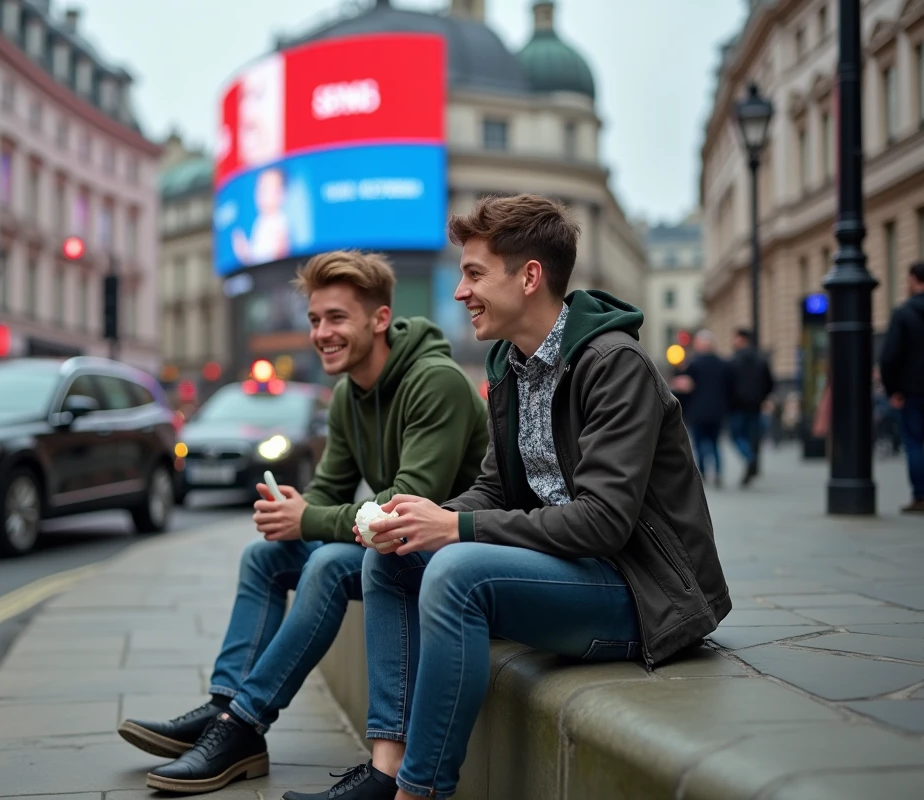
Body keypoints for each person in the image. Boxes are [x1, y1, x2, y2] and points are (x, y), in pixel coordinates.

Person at [283, 194, 730, 800]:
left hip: (643, 592)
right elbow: (495, 487)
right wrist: (428, 517)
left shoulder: (614, 364)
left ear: (528, 277)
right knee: (390, 552)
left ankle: (420, 792)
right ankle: (384, 770)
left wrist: (457, 532)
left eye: (473, 274)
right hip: (568, 571)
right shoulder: (512, 365)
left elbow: (604, 523)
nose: (461, 292)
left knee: (457, 572)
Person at [120, 249, 489, 795]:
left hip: (444, 550)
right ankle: (225, 708)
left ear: (379, 319)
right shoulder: (346, 396)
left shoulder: (435, 382)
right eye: (315, 320)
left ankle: (245, 725)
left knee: (333, 562)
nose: (321, 333)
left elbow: (406, 503)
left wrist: (310, 516)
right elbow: (332, 493)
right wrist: (299, 507)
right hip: (390, 546)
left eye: (336, 318)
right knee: (266, 556)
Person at [879, 260, 924, 514]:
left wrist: (892, 389)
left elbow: (889, 357)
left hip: (912, 390)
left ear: (913, 280)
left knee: (914, 443)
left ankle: (920, 495)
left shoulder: (904, 313)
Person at [675, 330, 731, 488]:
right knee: (715, 444)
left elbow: (684, 388)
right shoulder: (722, 364)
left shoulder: (693, 365)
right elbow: (729, 388)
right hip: (717, 411)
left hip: (697, 411)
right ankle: (718, 474)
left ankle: (703, 475)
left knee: (699, 445)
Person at [727, 328, 774, 487]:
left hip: (737, 406)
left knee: (736, 435)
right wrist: (762, 398)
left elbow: (728, 384)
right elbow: (769, 382)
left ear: (742, 339)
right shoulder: (760, 359)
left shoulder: (734, 360)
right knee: (752, 436)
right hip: (755, 405)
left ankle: (749, 457)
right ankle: (751, 462)